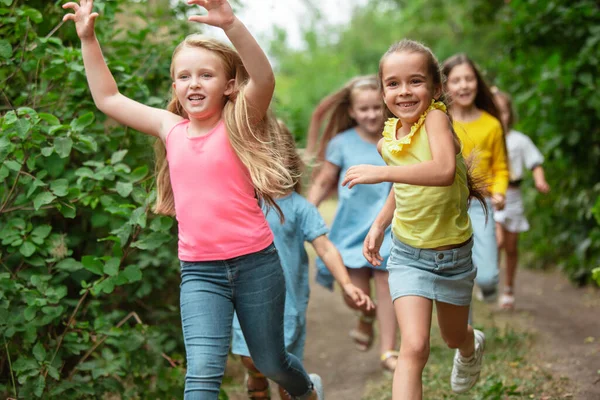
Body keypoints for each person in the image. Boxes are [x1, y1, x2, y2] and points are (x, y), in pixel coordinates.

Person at [62, 1, 324, 399]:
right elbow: (108, 98)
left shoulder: (240, 122)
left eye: (206, 74)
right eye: (184, 76)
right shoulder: (170, 129)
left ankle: (306, 390)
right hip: (201, 273)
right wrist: (88, 38)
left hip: (256, 265)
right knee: (201, 372)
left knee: (270, 362)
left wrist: (231, 24)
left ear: (230, 85)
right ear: (174, 87)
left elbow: (264, 77)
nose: (194, 84)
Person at [342, 39, 487, 398]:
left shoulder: (437, 119)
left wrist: (382, 173)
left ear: (437, 88)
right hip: (408, 255)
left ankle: (470, 346)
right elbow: (404, 188)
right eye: (393, 83)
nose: (403, 92)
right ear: (382, 91)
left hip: (452, 256)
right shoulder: (388, 140)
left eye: (415, 81)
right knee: (415, 347)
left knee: (453, 336)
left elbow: (440, 170)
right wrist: (379, 226)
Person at [231, 122, 374, 399]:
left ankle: (306, 391)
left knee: (285, 378)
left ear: (287, 159)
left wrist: (346, 283)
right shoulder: (242, 201)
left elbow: (326, 248)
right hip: (247, 298)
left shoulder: (299, 207)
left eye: (273, 154)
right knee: (251, 360)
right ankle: (256, 379)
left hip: (287, 305)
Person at [306, 76, 399, 373]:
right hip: (350, 231)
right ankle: (365, 317)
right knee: (356, 296)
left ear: (385, 106)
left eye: (376, 107)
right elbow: (323, 181)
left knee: (387, 288)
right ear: (352, 112)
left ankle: (388, 352)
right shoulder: (341, 143)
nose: (371, 114)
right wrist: (305, 211)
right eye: (364, 109)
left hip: (388, 227)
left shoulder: (398, 137)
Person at [442, 54, 509, 303]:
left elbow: (501, 167)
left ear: (477, 83)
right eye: (456, 80)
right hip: (447, 203)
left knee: (487, 276)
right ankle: (464, 334)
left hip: (481, 204)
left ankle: (487, 287)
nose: (463, 85)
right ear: (445, 86)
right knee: (458, 277)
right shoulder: (440, 122)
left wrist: (499, 191)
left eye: (469, 79)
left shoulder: (492, 124)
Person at [492, 88, 550, 310]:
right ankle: (490, 278)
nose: (500, 117)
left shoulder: (520, 141)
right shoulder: (488, 138)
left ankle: (508, 289)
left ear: (510, 115)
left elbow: (535, 162)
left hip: (513, 196)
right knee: (495, 240)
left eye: (503, 112)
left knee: (511, 246)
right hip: (493, 195)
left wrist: (539, 180)